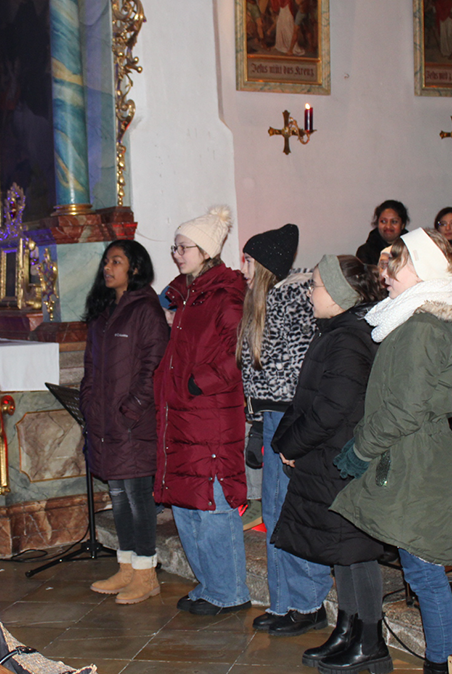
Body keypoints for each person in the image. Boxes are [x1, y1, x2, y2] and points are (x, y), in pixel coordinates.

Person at [331, 228, 452, 674]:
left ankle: (443, 664)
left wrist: (361, 449)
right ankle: (443, 660)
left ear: (423, 269)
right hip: (417, 456)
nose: (385, 273)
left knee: (424, 574)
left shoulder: (420, 328)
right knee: (422, 570)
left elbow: (404, 408)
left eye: (395, 263)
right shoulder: (421, 320)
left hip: (417, 460)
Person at [270, 256, 388, 670]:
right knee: (342, 550)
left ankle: (371, 640)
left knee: (357, 551)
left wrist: (293, 446)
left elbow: (331, 408)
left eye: (315, 285)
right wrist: (287, 442)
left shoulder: (349, 338)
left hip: (343, 458)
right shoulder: (337, 331)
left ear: (338, 294)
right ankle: (349, 626)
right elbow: (310, 398)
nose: (308, 292)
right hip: (330, 458)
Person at [154, 206, 251, 616]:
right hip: (182, 411)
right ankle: (210, 584)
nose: (176, 254)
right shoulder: (191, 291)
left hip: (209, 412)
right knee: (186, 502)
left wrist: (199, 382)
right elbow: (166, 296)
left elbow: (241, 351)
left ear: (206, 250)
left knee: (213, 504)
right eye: (174, 247)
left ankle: (231, 591)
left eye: (183, 247)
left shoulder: (227, 293)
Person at [236, 225, 331, 636]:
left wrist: (272, 420)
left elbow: (294, 369)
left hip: (290, 417)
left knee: (290, 510)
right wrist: (257, 423)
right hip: (270, 416)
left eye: (249, 261)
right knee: (274, 512)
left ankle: (308, 603)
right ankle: (284, 601)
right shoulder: (267, 299)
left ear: (266, 265)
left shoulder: (293, 298)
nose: (243, 268)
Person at [80, 240, 169, 605]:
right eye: (106, 261)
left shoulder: (145, 309)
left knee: (137, 497)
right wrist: (88, 402)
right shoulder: (103, 313)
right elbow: (91, 367)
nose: (107, 267)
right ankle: (127, 566)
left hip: (132, 422)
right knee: (117, 496)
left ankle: (147, 573)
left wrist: (131, 410)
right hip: (106, 421)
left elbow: (154, 365)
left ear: (134, 268)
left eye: (116, 261)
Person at [355, 200, 409, 266]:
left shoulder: (412, 249)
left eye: (394, 222)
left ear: (402, 225)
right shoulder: (365, 252)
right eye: (383, 221)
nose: (388, 226)